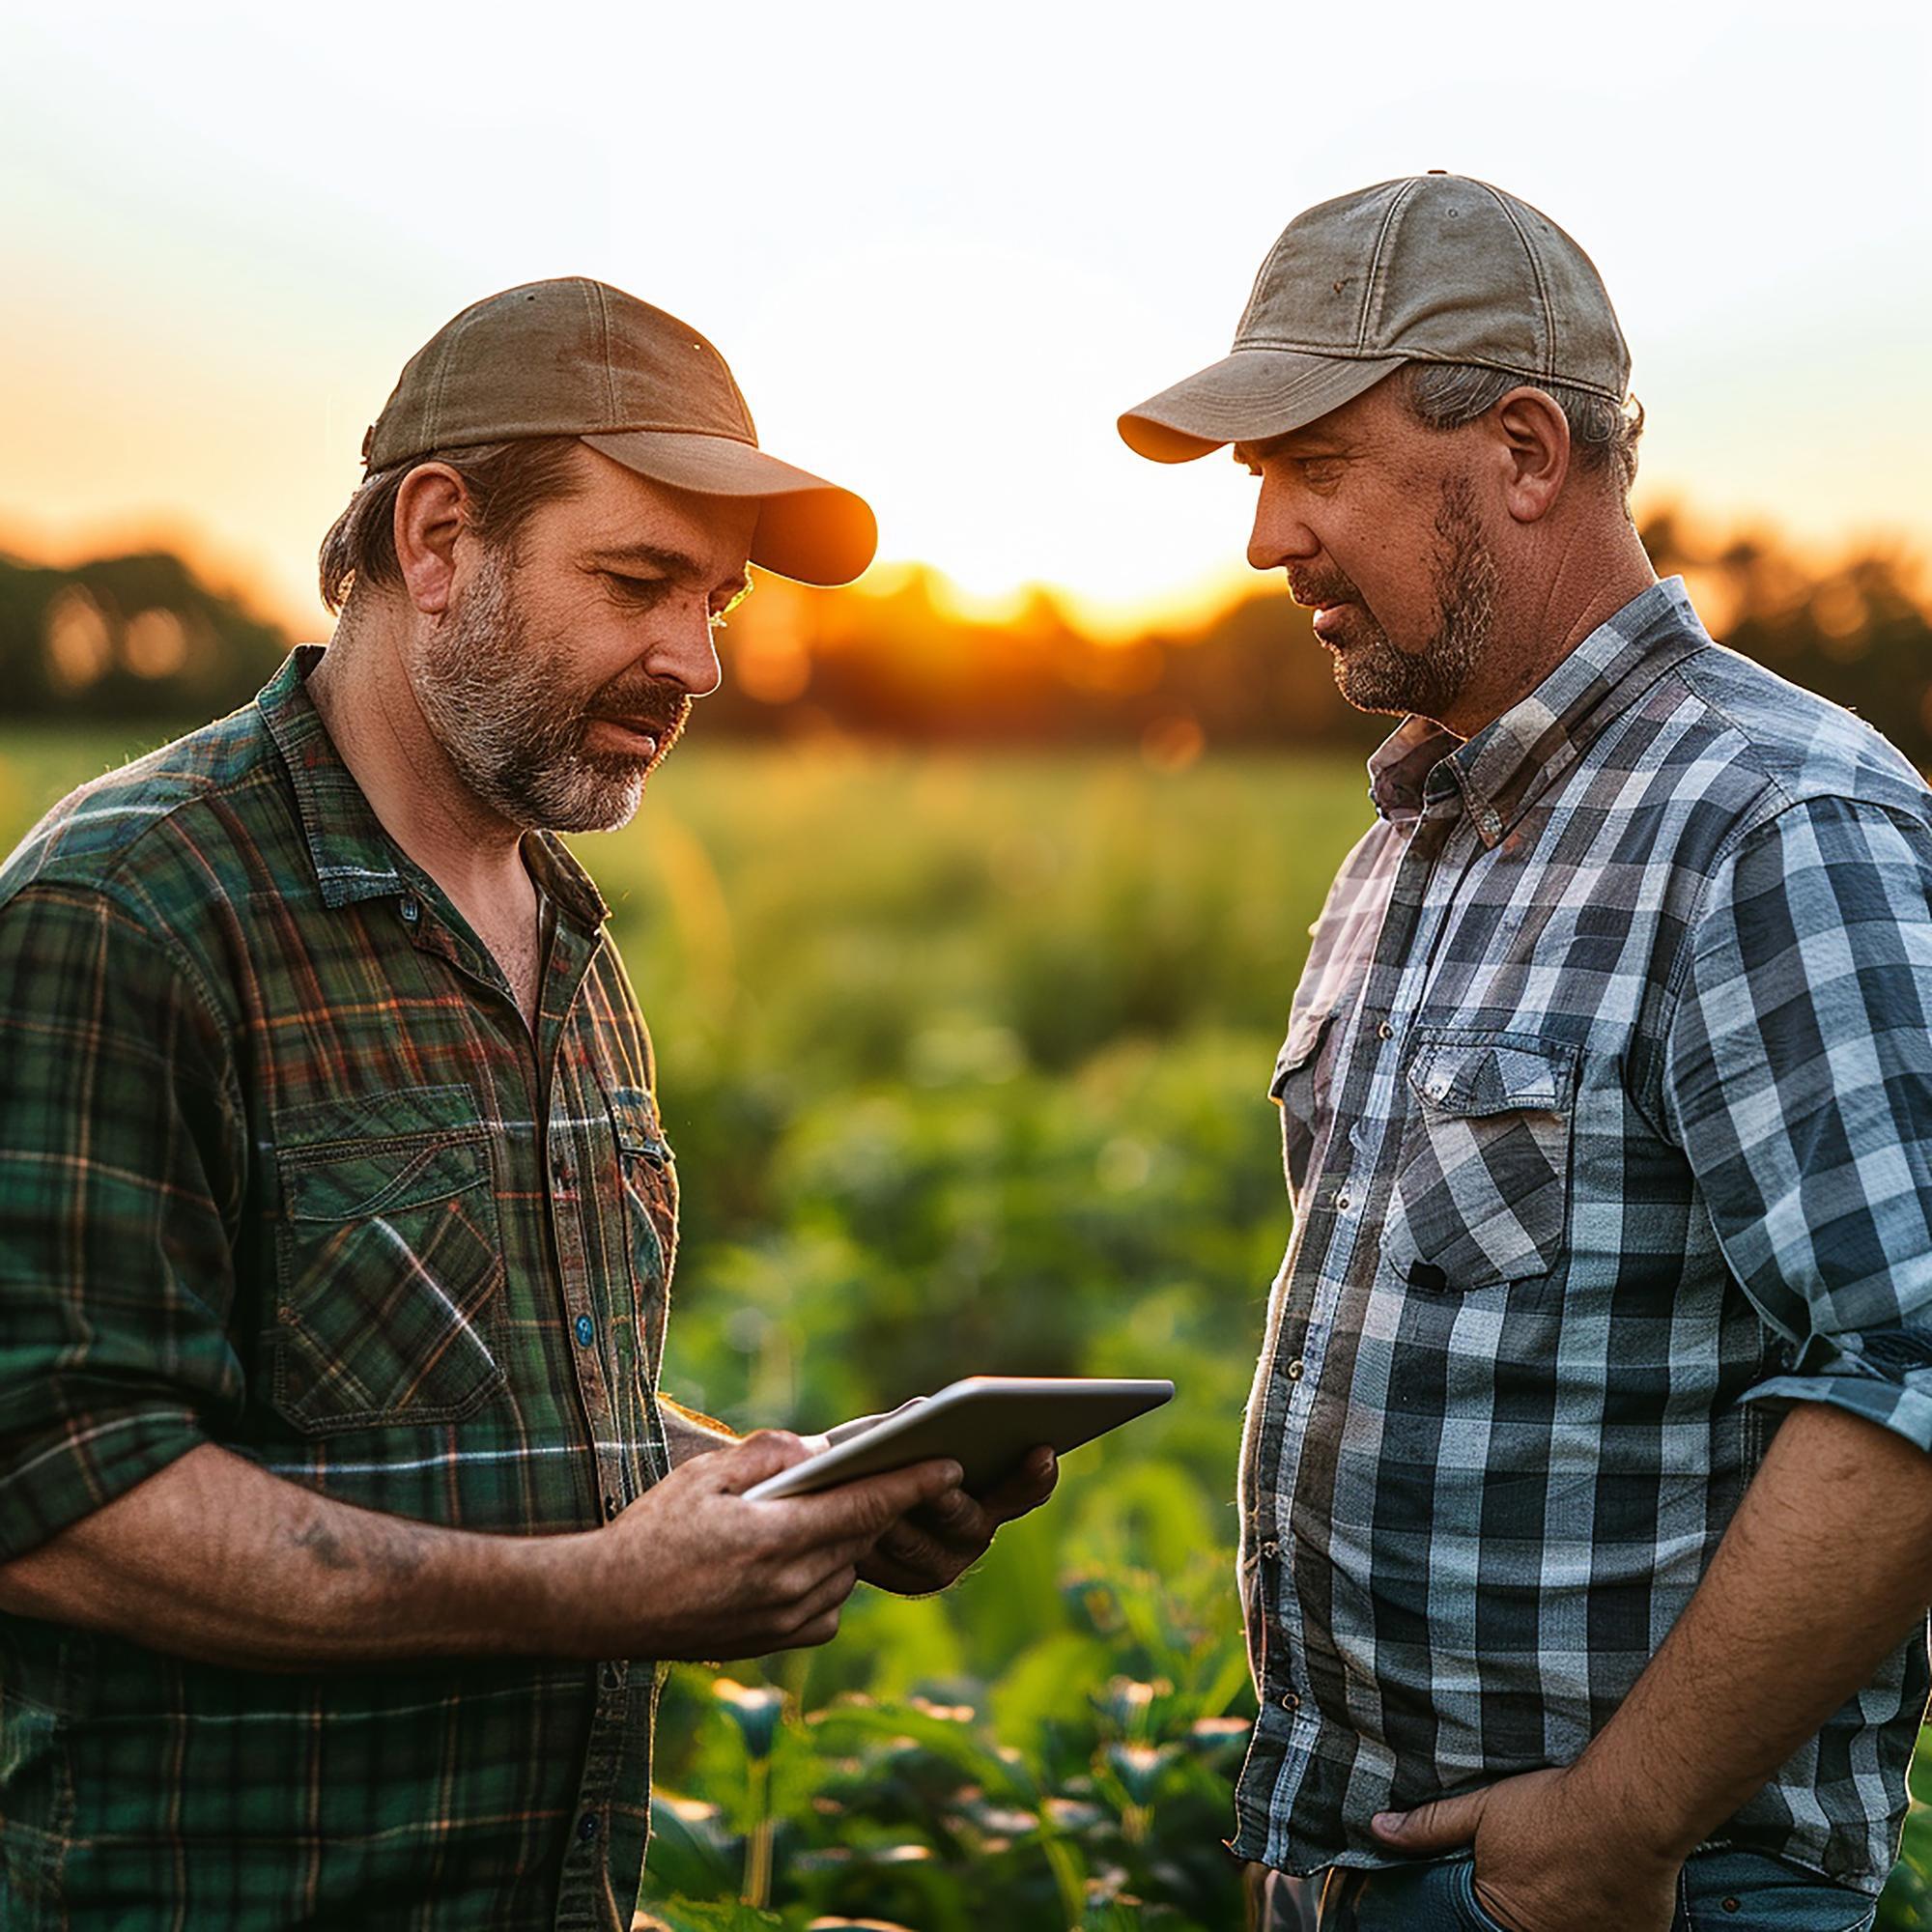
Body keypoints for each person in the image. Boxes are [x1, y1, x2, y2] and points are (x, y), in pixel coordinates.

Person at [0, 277, 1057, 1931]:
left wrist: (783, 1497)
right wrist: (594, 1593)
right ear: (437, 543)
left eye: (720, 602)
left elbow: (497, 1424)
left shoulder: (563, 926)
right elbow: (50, 1493)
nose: (695, 660)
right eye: (637, 581)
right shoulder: (132, 906)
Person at [1119, 174, 1932, 1932]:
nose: (1265, 538)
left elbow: (1915, 1369)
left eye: (1311, 464)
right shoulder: (1412, 838)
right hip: (1366, 1867)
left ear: (1526, 449)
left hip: (1642, 1891)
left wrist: (1620, 1823)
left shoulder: (1774, 821)